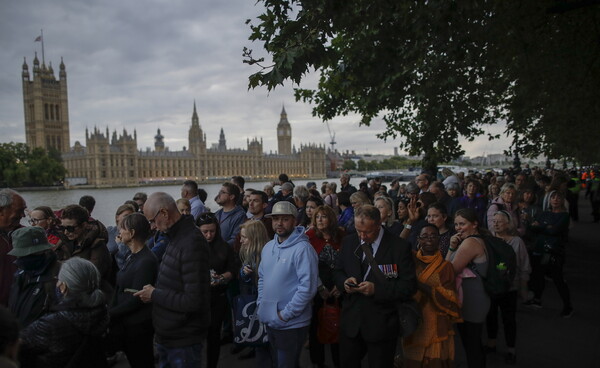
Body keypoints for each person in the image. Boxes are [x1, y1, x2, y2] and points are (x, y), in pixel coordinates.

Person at [333, 205, 417, 368]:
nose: (362, 236)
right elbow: (338, 271)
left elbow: (409, 286)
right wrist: (344, 283)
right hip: (351, 323)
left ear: (379, 224)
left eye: (367, 232)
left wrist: (376, 290)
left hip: (382, 324)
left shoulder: (399, 247)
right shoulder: (349, 241)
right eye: (358, 230)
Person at [134, 192, 210, 368]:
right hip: (171, 336)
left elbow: (193, 300)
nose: (152, 227)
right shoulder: (176, 238)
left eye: (152, 221)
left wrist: (155, 295)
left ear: (164, 213)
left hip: (183, 339)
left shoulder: (191, 243)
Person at [258, 201, 318, 368]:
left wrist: (285, 315)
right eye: (275, 219)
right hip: (270, 319)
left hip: (293, 323)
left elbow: (307, 288)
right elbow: (262, 278)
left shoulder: (303, 249)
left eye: (285, 219)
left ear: (295, 221)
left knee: (286, 364)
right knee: (278, 362)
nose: (279, 223)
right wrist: (261, 304)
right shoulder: (268, 247)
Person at [19, 257, 110, 368]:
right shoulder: (102, 311)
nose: (57, 283)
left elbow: (15, 344)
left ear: (63, 287)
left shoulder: (50, 325)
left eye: (58, 280)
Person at [403, 224, 461, 368]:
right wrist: (410, 222)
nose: (429, 239)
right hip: (413, 322)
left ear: (439, 239)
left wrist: (420, 284)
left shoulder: (445, 266)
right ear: (418, 239)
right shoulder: (411, 259)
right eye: (425, 236)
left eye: (433, 236)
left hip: (436, 325)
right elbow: (397, 243)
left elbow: (451, 299)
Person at [108, 213, 157, 368]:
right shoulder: (133, 255)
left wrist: (109, 314)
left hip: (138, 327)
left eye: (122, 229)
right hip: (127, 325)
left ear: (132, 233)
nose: (119, 232)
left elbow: (136, 298)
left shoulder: (146, 260)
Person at [445, 208, 490, 368]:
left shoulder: (470, 243)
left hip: (473, 301)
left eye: (462, 224)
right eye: (456, 224)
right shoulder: (479, 238)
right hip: (477, 298)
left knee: (471, 343)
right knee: (473, 342)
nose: (458, 228)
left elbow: (449, 270)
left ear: (474, 224)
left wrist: (451, 248)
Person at [485, 211, 531, 365]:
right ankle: (491, 344)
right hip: (491, 285)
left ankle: (511, 349)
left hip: (509, 286)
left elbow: (524, 266)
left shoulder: (517, 242)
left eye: (500, 221)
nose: (496, 223)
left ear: (508, 223)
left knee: (509, 319)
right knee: (490, 315)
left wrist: (523, 287)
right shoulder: (489, 240)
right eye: (494, 221)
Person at [305, 205, 345, 368]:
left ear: (331, 219)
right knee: (316, 324)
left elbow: (348, 262)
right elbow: (306, 266)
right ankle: (318, 361)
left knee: (339, 324)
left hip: (339, 286)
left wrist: (340, 285)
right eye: (317, 217)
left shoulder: (342, 235)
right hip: (317, 287)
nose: (320, 220)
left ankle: (339, 360)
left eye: (323, 216)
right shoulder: (309, 236)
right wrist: (320, 288)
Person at [196, 213, 236, 368]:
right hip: (197, 298)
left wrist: (220, 278)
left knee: (214, 336)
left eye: (212, 231)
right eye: (204, 231)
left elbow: (232, 269)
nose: (208, 235)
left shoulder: (224, 247)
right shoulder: (192, 247)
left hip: (217, 298)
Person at [526, 191, 573, 317]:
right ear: (549, 200)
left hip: (553, 252)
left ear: (563, 200)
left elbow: (555, 230)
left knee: (558, 278)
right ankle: (537, 300)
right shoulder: (545, 213)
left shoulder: (564, 216)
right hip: (540, 248)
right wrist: (546, 227)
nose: (555, 200)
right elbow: (532, 227)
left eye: (559, 197)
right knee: (538, 275)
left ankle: (568, 306)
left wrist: (541, 226)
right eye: (553, 197)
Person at [8, 227, 61, 327]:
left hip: (41, 338)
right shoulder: (20, 273)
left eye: (30, 253)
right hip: (19, 336)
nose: (22, 258)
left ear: (44, 250)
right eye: (21, 254)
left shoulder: (59, 275)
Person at [238, 220, 273, 368]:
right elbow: (244, 280)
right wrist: (244, 273)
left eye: (244, 237)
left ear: (255, 237)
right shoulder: (248, 253)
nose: (241, 240)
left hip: (266, 305)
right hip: (255, 303)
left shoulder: (269, 254)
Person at [60, 204, 113, 296]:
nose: (66, 232)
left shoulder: (98, 245)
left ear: (84, 225)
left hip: (91, 295)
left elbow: (93, 276)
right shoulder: (66, 242)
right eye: (63, 228)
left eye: (70, 228)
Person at [0, 189, 26, 306]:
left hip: (20, 306)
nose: (23, 215)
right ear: (1, 211)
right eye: (20, 211)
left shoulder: (25, 234)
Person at [106, 204, 136, 271]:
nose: (128, 219)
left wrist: (120, 244)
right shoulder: (109, 231)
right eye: (126, 216)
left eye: (131, 217)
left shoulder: (134, 237)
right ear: (117, 217)